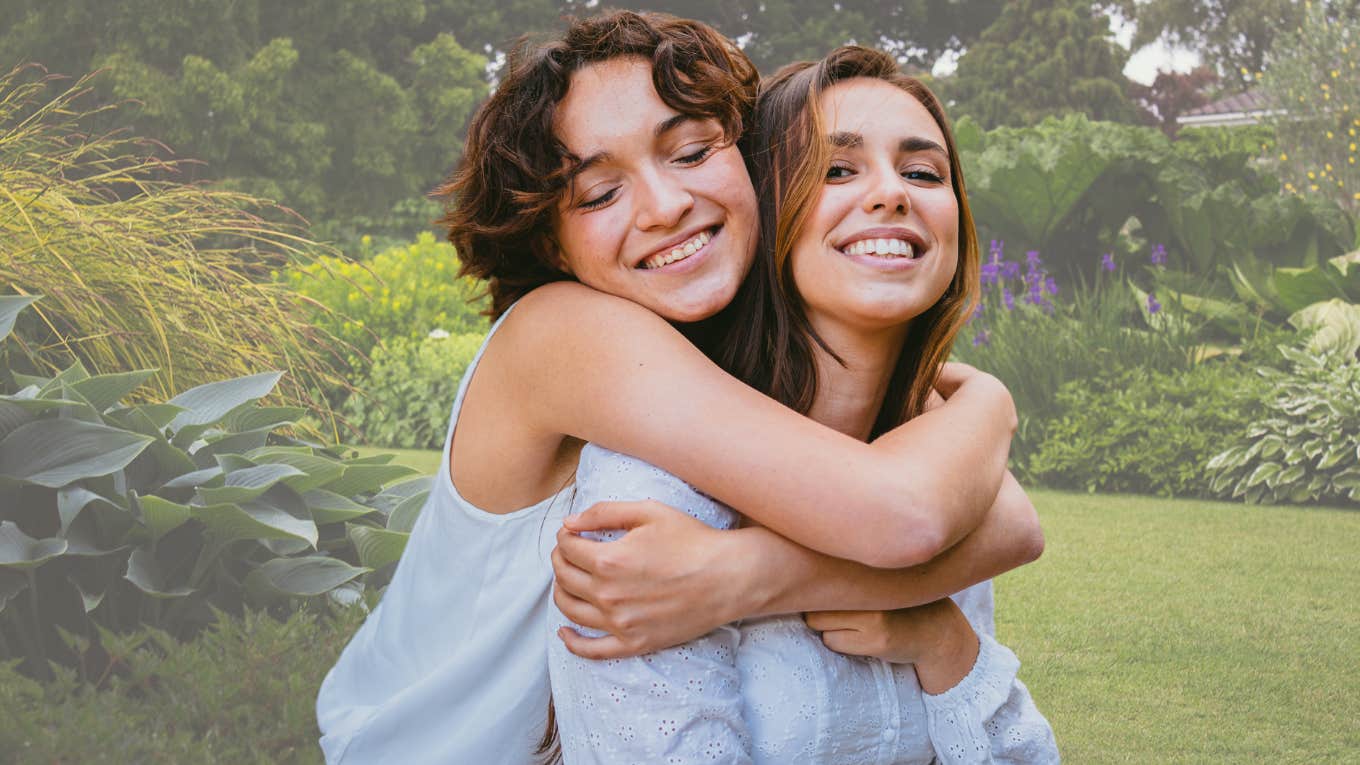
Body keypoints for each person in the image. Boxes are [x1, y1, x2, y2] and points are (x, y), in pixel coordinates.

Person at [317, 13, 1039, 765]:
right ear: (547, 242)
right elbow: (912, 513)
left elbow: (1005, 518)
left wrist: (739, 576)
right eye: (598, 194)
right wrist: (990, 403)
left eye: (692, 151)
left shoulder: (718, 355)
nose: (663, 206)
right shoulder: (568, 333)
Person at [546, 45, 1059, 763]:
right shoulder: (650, 501)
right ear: (765, 205)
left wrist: (945, 642)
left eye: (923, 172)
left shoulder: (940, 473)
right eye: (837, 168)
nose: (891, 194)